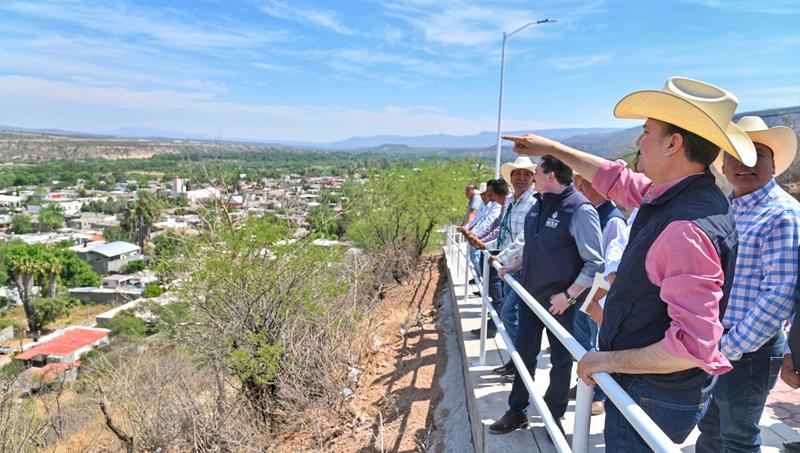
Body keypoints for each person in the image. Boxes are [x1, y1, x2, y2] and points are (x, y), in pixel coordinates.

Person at [503, 76, 756, 451]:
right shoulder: (682, 194)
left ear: (674, 143)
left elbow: (690, 346)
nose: (638, 141)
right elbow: (617, 180)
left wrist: (605, 360)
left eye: (646, 131)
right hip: (654, 387)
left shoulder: (685, 227)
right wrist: (554, 147)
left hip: (652, 394)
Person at [696, 116, 800, 453]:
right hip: (720, 343)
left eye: (758, 155)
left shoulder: (781, 214)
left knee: (738, 436)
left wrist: (728, 347)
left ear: (774, 166)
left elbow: (780, 294)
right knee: (711, 429)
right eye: (737, 155)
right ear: (724, 166)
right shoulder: (729, 207)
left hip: (747, 351)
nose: (746, 164)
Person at [488, 155, 604, 435]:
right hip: (531, 297)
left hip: (561, 305)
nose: (531, 178)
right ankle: (518, 411)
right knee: (524, 354)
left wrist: (569, 295)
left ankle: (554, 417)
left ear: (551, 176)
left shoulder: (579, 210)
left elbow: (595, 263)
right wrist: (514, 265)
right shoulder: (538, 205)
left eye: (536, 173)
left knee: (561, 362)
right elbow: (534, 246)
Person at [569, 173, 626, 415]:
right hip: (586, 288)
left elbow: (611, 264)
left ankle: (600, 395)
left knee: (598, 342)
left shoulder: (613, 220)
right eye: (579, 183)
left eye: (587, 183)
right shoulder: (591, 212)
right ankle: (586, 382)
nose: (581, 187)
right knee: (583, 338)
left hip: (600, 293)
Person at [465, 157, 536, 339]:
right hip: (508, 268)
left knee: (508, 312)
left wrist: (501, 256)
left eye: (526, 174)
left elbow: (525, 238)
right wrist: (486, 246)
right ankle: (517, 359)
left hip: (523, 267)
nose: (521, 178)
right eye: (517, 174)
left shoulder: (535, 202)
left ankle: (520, 358)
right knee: (512, 313)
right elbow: (504, 232)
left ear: (532, 178)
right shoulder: (511, 201)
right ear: (511, 178)